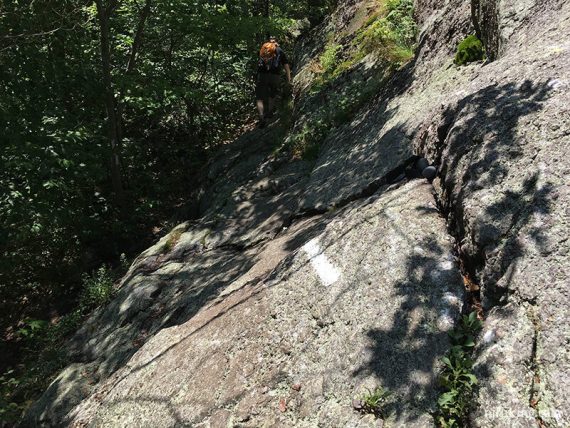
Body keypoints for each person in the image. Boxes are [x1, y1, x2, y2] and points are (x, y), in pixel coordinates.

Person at [255, 36, 292, 128]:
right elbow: (286, 66)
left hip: (262, 75)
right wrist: (289, 79)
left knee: (259, 97)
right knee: (273, 94)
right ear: (277, 41)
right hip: (275, 75)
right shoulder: (280, 50)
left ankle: (261, 116)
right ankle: (270, 113)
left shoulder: (264, 48)